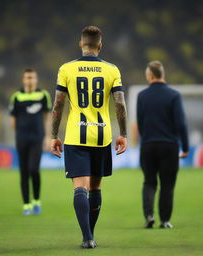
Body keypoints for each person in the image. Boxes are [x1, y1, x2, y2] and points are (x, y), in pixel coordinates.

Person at [50, 26, 127, 249]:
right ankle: (91, 234)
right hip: (102, 136)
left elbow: (58, 105)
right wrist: (122, 134)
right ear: (100, 46)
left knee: (79, 189)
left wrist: (54, 135)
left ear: (80, 44)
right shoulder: (112, 70)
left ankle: (87, 238)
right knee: (95, 188)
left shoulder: (66, 69)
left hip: (76, 135)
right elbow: (120, 103)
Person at [136, 61, 189, 229]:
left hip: (148, 145)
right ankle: (165, 220)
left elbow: (140, 122)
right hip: (169, 146)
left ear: (150, 75)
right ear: (162, 75)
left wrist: (146, 141)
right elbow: (181, 123)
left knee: (149, 182)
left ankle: (149, 216)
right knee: (167, 184)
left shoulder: (142, 95)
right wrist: (185, 146)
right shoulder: (174, 95)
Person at [9, 68, 52, 215]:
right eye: (27, 78)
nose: (30, 80)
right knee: (24, 172)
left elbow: (48, 117)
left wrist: (47, 137)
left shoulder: (43, 95)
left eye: (32, 77)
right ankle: (26, 204)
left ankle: (36, 201)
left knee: (34, 169)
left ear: (36, 79)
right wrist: (18, 132)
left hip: (37, 138)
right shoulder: (16, 97)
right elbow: (12, 120)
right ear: (23, 80)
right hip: (21, 138)